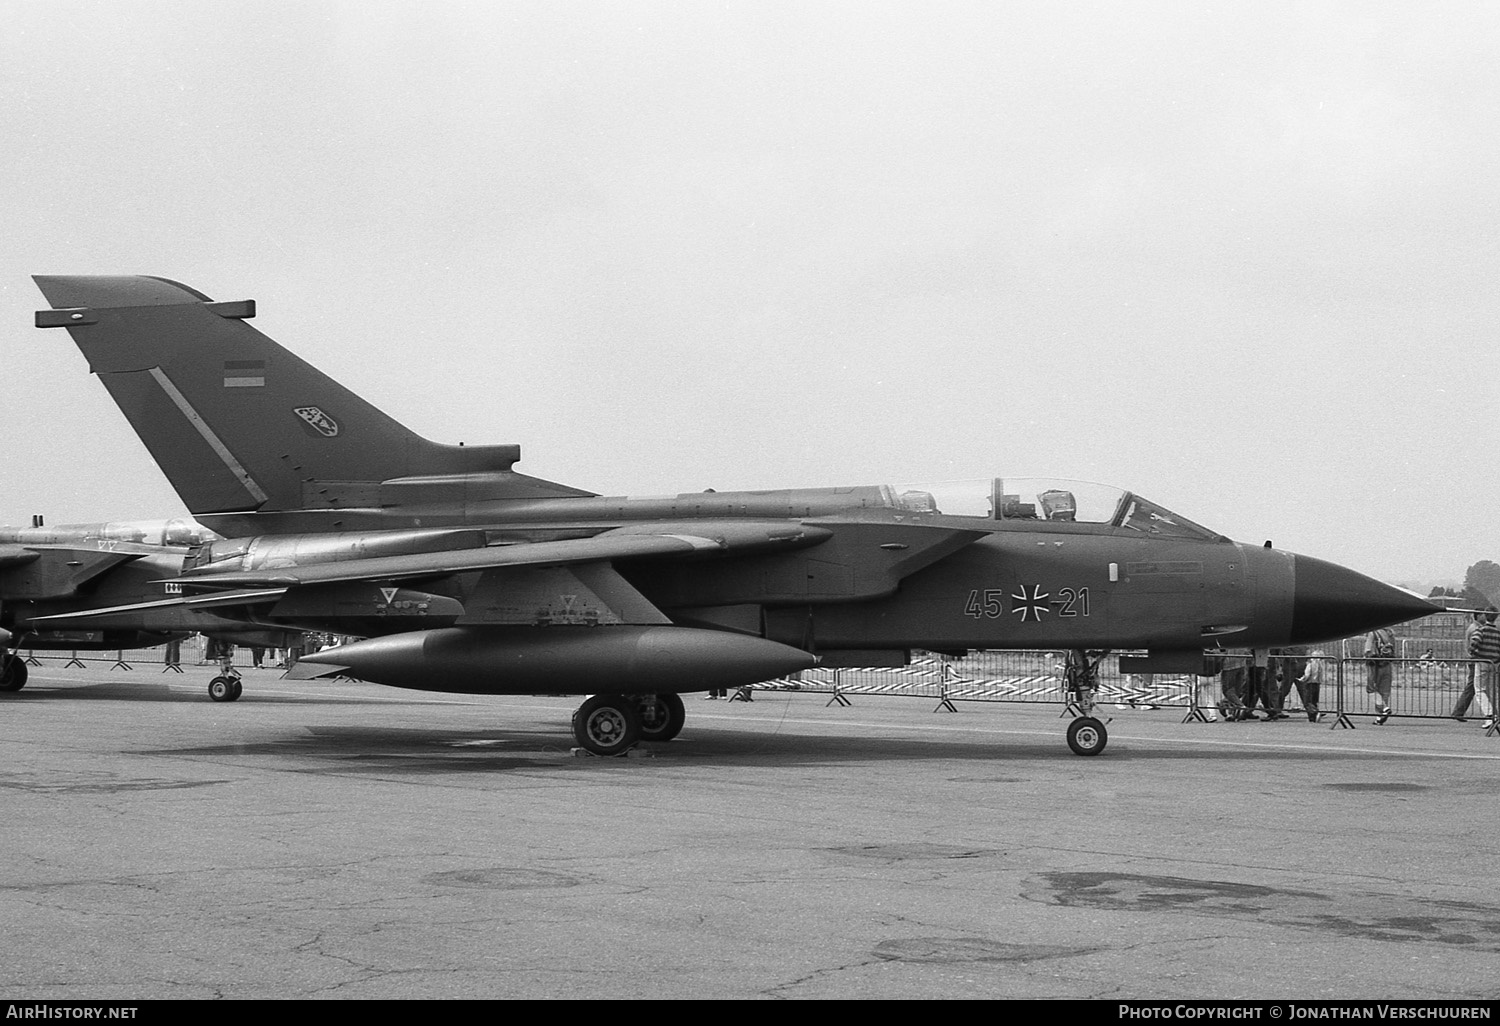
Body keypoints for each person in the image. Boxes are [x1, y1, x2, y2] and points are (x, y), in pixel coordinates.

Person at [1467, 608, 1500, 729]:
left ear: (1485, 616)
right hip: (1495, 663)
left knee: (1480, 689)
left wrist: (1474, 653)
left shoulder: (1481, 630)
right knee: (1491, 690)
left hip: (1482, 662)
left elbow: (1474, 642)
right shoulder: (1497, 632)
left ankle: (1489, 714)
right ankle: (1493, 716)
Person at [1453, 611, 1485, 721]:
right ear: (1479, 616)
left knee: (1473, 686)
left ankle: (1459, 711)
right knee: (1472, 686)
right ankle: (1458, 711)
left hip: (1473, 659)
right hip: (1475, 660)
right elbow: (1474, 645)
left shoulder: (1473, 627)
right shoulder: (1476, 629)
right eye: (1483, 615)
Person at [1364, 626, 1396, 724]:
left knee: (1372, 689)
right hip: (1387, 665)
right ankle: (1379, 717)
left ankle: (1384, 709)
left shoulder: (1372, 634)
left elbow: (1368, 651)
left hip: (1375, 665)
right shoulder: (1391, 634)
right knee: (1384, 691)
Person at [1295, 649, 1326, 722]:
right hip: (1317, 684)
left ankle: (1315, 712)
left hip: (1309, 683)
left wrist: (1302, 679)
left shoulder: (1310, 664)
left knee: (1307, 701)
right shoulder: (1321, 665)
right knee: (1314, 700)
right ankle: (1312, 718)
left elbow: (1307, 674)